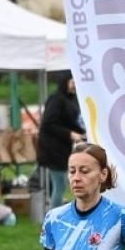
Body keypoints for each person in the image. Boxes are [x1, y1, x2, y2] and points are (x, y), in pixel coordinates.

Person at [39, 75, 85, 209]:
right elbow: (48, 124)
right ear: (65, 82)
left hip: (63, 149)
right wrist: (70, 134)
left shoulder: (71, 100)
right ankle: (54, 218)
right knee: (60, 185)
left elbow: (69, 122)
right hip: (52, 150)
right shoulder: (56, 100)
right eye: (72, 81)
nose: (75, 85)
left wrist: (82, 132)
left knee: (61, 185)